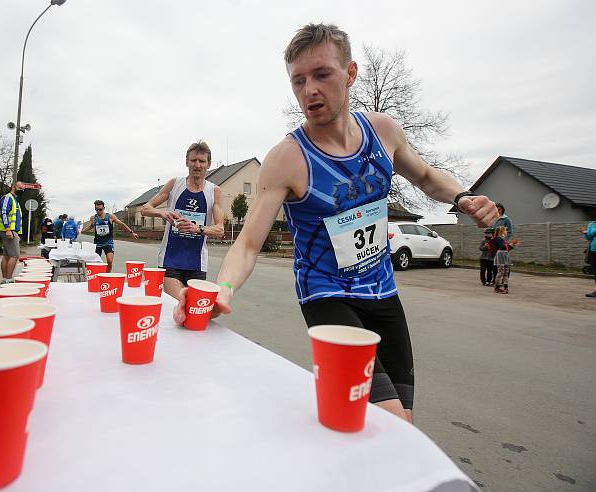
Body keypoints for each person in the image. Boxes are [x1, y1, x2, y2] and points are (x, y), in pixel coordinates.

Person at [173, 24, 498, 423]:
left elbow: (428, 176)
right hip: (327, 296)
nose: (309, 90)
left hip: (383, 292)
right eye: (298, 80)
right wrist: (222, 288)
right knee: (386, 417)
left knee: (402, 422)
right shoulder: (288, 157)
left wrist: (464, 197)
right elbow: (247, 244)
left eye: (322, 74)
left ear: (350, 73)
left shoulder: (384, 132)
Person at [140, 140, 225, 298]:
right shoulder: (174, 184)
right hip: (171, 259)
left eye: (202, 161)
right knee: (179, 303)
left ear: (209, 164)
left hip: (197, 262)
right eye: (193, 160)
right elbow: (145, 209)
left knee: (193, 310)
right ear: (187, 162)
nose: (197, 165)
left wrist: (198, 229)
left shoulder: (214, 191)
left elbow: (220, 230)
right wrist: (162, 213)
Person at [82, 200, 139, 272]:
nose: (98, 211)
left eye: (100, 209)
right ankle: (95, 275)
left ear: (104, 208)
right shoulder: (93, 218)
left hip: (108, 242)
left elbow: (122, 224)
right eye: (96, 209)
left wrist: (132, 232)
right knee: (95, 262)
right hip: (97, 243)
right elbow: (91, 226)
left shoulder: (110, 217)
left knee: (109, 260)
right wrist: (83, 230)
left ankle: (107, 274)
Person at [0, 181, 26, 283]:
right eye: (20, 188)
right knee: (15, 255)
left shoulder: (15, 200)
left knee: (7, 256)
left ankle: (5, 279)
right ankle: (8, 280)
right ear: (13, 187)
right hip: (8, 231)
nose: (22, 191)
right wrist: (8, 229)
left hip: (11, 231)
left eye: (23, 189)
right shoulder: (8, 198)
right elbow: (4, 213)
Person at [491, 226, 521, 294]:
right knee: (501, 271)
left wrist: (513, 245)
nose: (506, 231)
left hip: (505, 255)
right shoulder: (498, 238)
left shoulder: (503, 239)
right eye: (505, 230)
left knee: (506, 272)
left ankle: (505, 287)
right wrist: (511, 244)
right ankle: (497, 287)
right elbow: (502, 247)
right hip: (501, 255)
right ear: (501, 231)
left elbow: (507, 249)